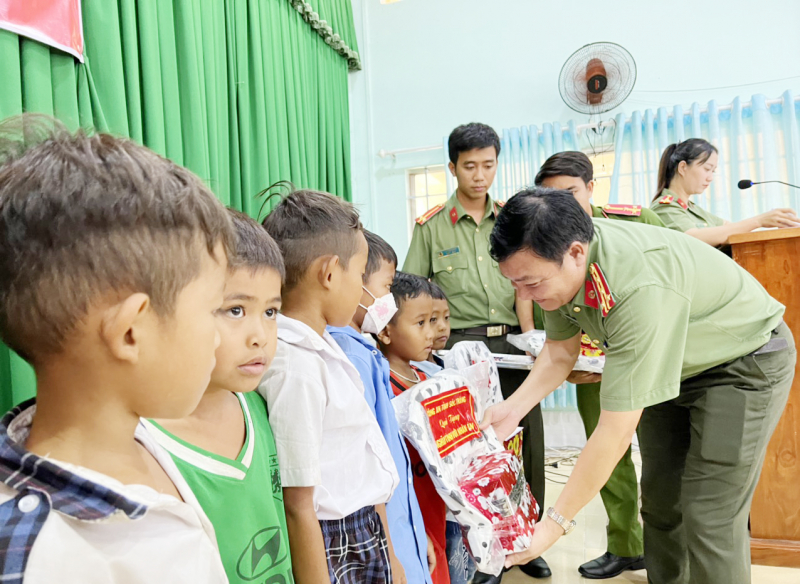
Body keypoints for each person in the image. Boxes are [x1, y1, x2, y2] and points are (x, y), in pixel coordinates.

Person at [484, 187, 795, 584]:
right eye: (515, 284)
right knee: (662, 502)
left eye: (530, 283)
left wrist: (554, 524)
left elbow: (614, 433)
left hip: (743, 361)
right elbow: (560, 351)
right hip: (674, 363)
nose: (523, 296)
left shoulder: (634, 286)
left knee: (709, 515)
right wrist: (512, 410)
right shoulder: (558, 263)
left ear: (576, 253)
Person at [0, 117, 232, 582]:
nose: (218, 337)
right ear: (132, 331)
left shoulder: (142, 438)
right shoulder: (44, 560)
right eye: (215, 311)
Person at [403, 122, 549, 581]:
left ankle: (528, 538)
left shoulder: (512, 219)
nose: (480, 175)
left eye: (488, 165)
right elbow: (411, 291)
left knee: (525, 439)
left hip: (513, 342)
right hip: (460, 350)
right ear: (452, 168)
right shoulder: (430, 227)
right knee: (469, 451)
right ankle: (478, 544)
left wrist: (531, 334)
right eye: (470, 166)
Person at [143, 209, 293, 583]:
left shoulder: (261, 404)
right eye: (235, 310)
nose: (259, 334)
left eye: (271, 311)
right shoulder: (143, 446)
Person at [259, 188, 400, 584]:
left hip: (362, 527)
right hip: (330, 540)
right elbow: (298, 503)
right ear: (330, 273)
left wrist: (389, 550)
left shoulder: (324, 346)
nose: (361, 289)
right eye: (359, 275)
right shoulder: (295, 367)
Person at [533, 151, 661, 579]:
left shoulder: (633, 221)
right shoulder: (545, 241)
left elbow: (663, 280)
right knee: (608, 455)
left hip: (649, 359)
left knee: (663, 455)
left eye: (570, 193)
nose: (562, 206)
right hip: (589, 366)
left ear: (591, 187)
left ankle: (665, 551)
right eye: (551, 197)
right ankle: (626, 545)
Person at [328, 230, 435, 584]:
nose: (389, 297)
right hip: (383, 541)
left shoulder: (365, 351)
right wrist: (393, 552)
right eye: (386, 286)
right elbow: (369, 469)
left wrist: (417, 535)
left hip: (402, 533)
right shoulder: (350, 358)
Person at [376, 272, 448, 584]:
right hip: (410, 511)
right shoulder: (384, 389)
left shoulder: (429, 376)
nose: (432, 332)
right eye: (420, 323)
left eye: (434, 320)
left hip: (439, 507)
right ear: (385, 332)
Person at [651, 138, 799, 247]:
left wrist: (778, 230)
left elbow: (731, 230)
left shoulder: (692, 209)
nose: (710, 178)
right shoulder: (665, 206)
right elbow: (693, 237)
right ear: (683, 167)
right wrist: (758, 220)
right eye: (707, 169)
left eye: (713, 171)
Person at [413, 281, 450, 376]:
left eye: (446, 317)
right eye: (433, 319)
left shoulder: (444, 364)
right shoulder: (414, 375)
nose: (443, 327)